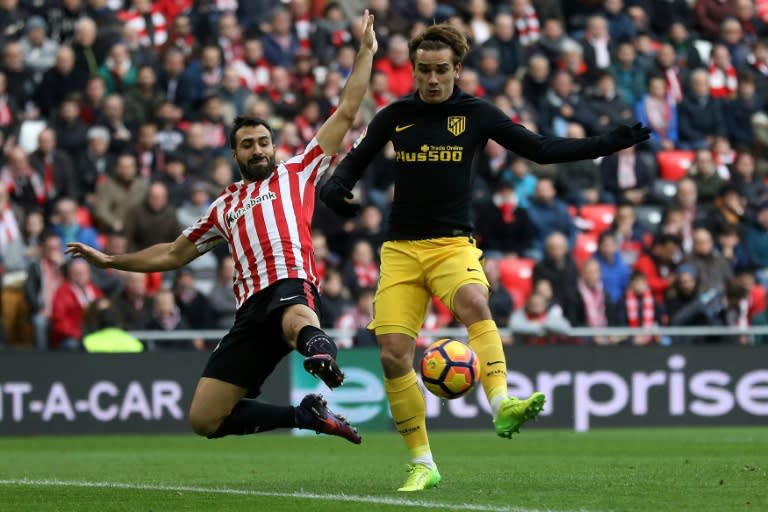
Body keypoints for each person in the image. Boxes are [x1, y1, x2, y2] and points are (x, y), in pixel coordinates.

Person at [318, 22, 651, 492]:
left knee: (475, 299)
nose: (432, 79)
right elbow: (357, 157)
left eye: (441, 71)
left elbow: (540, 149)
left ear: (457, 69)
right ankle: (422, 463)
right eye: (423, 71)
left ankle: (501, 405)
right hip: (400, 251)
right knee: (393, 357)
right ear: (413, 70)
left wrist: (605, 143)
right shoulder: (395, 115)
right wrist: (337, 184)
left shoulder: (477, 115)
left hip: (453, 244)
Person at [65, 10, 379, 448]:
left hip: (290, 283)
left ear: (274, 145)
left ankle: (317, 346)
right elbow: (173, 254)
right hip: (249, 311)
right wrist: (110, 259)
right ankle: (305, 414)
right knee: (205, 418)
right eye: (248, 145)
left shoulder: (298, 171)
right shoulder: (223, 207)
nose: (258, 150)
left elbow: (346, 111)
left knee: (295, 317)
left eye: (264, 142)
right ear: (235, 153)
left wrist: (364, 53)